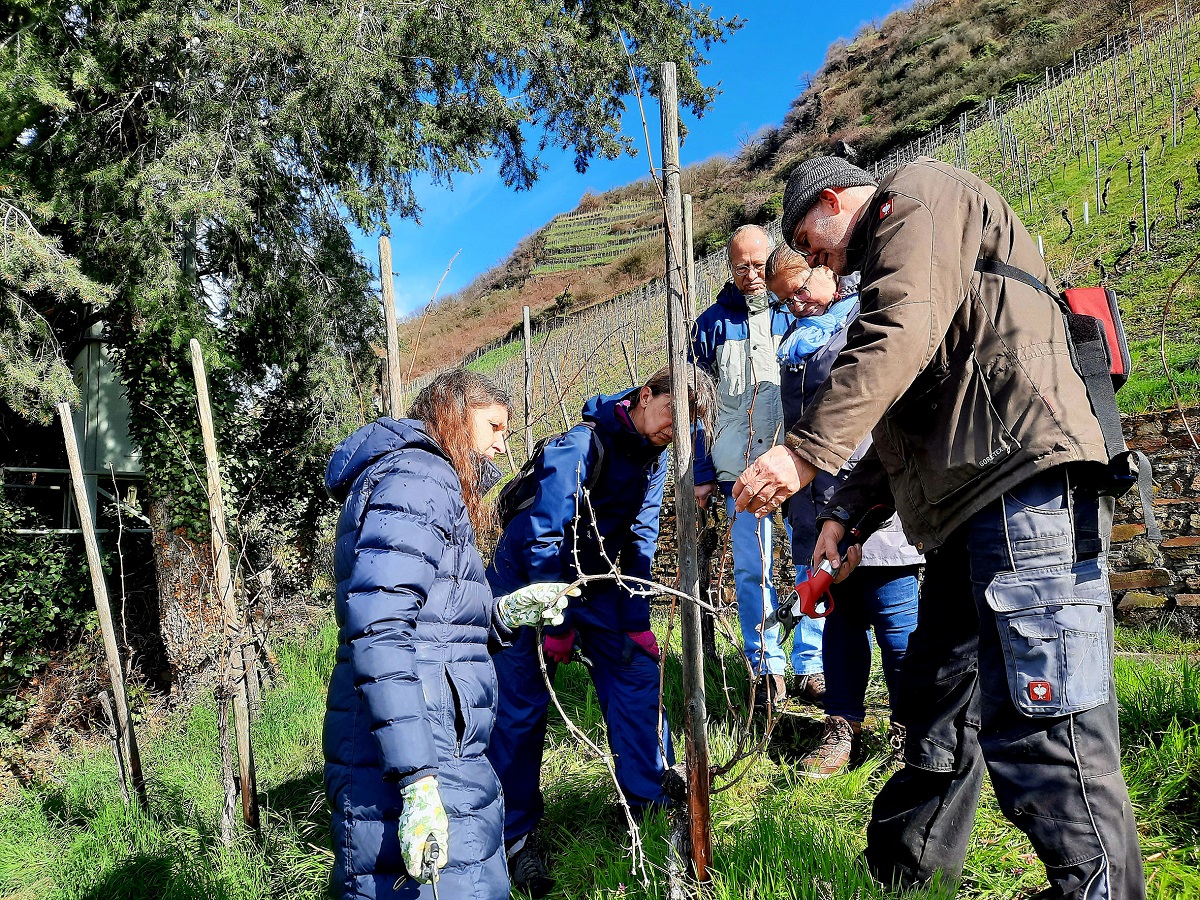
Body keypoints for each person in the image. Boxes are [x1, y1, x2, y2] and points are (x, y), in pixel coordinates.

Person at [733, 155, 1145, 897]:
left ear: (833, 200)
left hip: (1024, 487)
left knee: (1048, 727)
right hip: (968, 506)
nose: (818, 258)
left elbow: (898, 331)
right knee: (934, 699)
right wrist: (845, 517)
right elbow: (907, 412)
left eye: (811, 239)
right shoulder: (907, 254)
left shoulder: (918, 195)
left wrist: (801, 453)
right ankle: (907, 880)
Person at [323, 369, 578, 900]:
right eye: (495, 427)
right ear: (458, 414)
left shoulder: (414, 479)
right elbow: (381, 626)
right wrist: (417, 779)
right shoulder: (420, 477)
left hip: (431, 731)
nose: (502, 447)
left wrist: (504, 615)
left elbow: (433, 622)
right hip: (420, 742)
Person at [486, 366, 714, 898]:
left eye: (684, 427)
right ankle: (514, 838)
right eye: (668, 415)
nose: (671, 431)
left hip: (597, 578)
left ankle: (644, 797)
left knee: (635, 669)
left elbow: (639, 536)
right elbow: (544, 533)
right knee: (520, 708)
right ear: (644, 395)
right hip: (530, 579)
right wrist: (555, 622)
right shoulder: (581, 444)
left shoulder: (653, 457)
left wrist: (636, 618)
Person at [766, 244, 922, 778]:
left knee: (897, 624)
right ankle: (841, 730)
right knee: (840, 626)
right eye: (786, 301)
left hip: (874, 495)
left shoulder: (866, 319)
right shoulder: (795, 346)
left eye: (801, 289)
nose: (798, 304)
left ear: (825, 270)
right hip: (818, 511)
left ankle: (910, 735)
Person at [691, 224, 825, 713]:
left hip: (801, 465)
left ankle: (811, 664)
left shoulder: (795, 312)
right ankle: (765, 667)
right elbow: (699, 409)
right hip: (740, 474)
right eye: (741, 264)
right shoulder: (708, 327)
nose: (751, 273)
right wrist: (703, 471)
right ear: (729, 267)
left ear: (774, 261)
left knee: (812, 565)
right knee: (753, 573)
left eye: (758, 263)